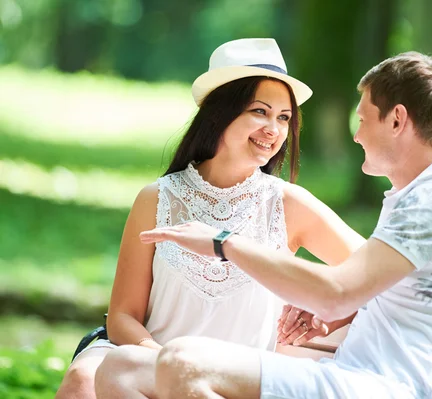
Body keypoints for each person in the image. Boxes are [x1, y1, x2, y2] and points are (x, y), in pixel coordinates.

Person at [103, 51, 432, 399]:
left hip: (396, 387)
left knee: (183, 362)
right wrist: (336, 313)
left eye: (363, 119)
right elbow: (370, 292)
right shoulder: (419, 196)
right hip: (357, 379)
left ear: (397, 120)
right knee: (119, 369)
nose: (356, 136)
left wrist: (224, 242)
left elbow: (335, 292)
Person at [55, 38, 365, 399]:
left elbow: (378, 276)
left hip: (233, 376)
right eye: (260, 111)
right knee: (82, 381)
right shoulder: (157, 198)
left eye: (284, 118)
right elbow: (123, 316)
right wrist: (171, 365)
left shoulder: (288, 204)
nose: (274, 129)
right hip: (147, 356)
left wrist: (327, 312)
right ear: (219, 112)